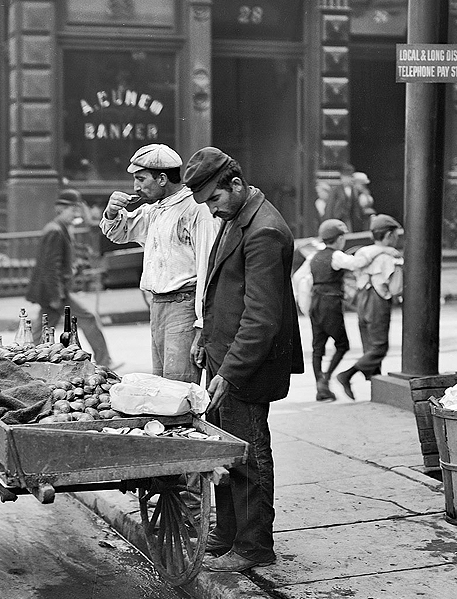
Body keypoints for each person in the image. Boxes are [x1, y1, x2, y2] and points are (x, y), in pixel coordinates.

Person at [183, 146, 303, 573]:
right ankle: (228, 532)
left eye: (215, 199)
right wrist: (204, 336)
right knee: (224, 450)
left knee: (249, 454)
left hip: (246, 366)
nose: (213, 210)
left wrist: (229, 372)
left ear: (235, 184)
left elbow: (261, 318)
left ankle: (253, 547)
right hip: (223, 356)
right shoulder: (237, 217)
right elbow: (223, 289)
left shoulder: (264, 230)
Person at [100, 144, 219, 383]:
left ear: (163, 178)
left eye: (141, 179)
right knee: (163, 386)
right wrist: (112, 212)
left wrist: (202, 324)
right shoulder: (155, 209)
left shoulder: (196, 210)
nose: (136, 187)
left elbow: (209, 269)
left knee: (179, 388)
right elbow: (119, 233)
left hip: (184, 305)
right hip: (158, 306)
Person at [27, 188, 115, 368]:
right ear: (60, 209)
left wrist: (74, 268)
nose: (76, 213)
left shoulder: (61, 229)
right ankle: (105, 362)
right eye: (72, 210)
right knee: (87, 318)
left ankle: (26, 360)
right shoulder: (55, 231)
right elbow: (50, 267)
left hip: (56, 290)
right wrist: (55, 296)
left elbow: (57, 264)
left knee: (42, 328)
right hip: (56, 292)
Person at [335, 213, 404, 395]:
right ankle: (347, 375)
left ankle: (376, 388)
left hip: (362, 300)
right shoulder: (389, 258)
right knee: (379, 347)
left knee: (369, 346)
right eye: (396, 234)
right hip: (377, 301)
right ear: (389, 235)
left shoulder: (363, 252)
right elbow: (396, 288)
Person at [309, 218, 367, 402]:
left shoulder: (314, 256)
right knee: (342, 345)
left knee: (318, 346)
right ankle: (326, 378)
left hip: (315, 303)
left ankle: (320, 385)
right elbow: (355, 263)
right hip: (330, 304)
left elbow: (301, 277)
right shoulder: (337, 256)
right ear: (340, 238)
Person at [322, 164, 375, 232]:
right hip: (338, 218)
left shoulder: (355, 190)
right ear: (341, 177)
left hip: (351, 220)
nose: (347, 179)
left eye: (349, 177)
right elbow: (330, 206)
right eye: (345, 177)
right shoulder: (335, 190)